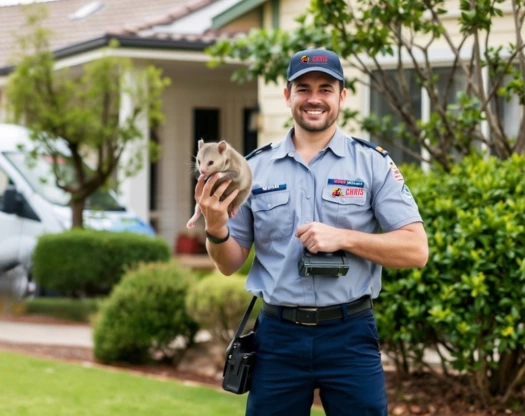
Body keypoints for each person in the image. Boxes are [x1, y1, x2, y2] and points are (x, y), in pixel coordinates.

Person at [194, 48, 428, 416]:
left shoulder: (372, 164)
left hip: (350, 335)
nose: (314, 98)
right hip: (278, 337)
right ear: (287, 96)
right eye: (303, 88)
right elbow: (228, 263)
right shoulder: (254, 169)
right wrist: (216, 227)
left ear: (342, 97)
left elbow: (416, 249)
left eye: (325, 88)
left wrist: (344, 237)